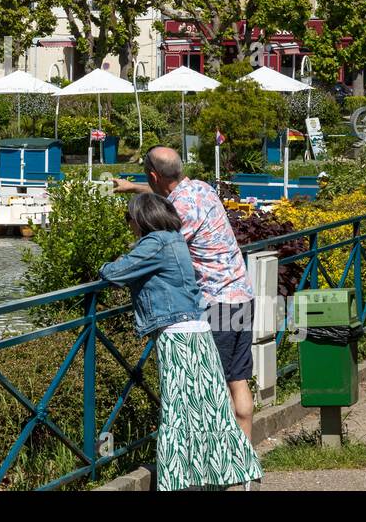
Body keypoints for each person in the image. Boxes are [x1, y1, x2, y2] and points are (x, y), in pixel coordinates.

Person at [101, 193, 261, 490]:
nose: (129, 226)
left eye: (129, 219)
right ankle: (232, 472)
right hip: (198, 330)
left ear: (140, 219)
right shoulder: (176, 238)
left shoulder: (155, 243)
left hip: (178, 337)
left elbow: (115, 273)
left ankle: (177, 481)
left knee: (177, 411)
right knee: (208, 410)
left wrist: (106, 266)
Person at [114, 146, 256, 439]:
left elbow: (158, 250)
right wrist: (131, 187)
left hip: (215, 303)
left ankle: (224, 464)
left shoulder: (178, 211)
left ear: (153, 175)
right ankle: (246, 463)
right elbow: (166, 189)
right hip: (242, 295)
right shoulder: (201, 188)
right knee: (238, 381)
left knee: (215, 388)